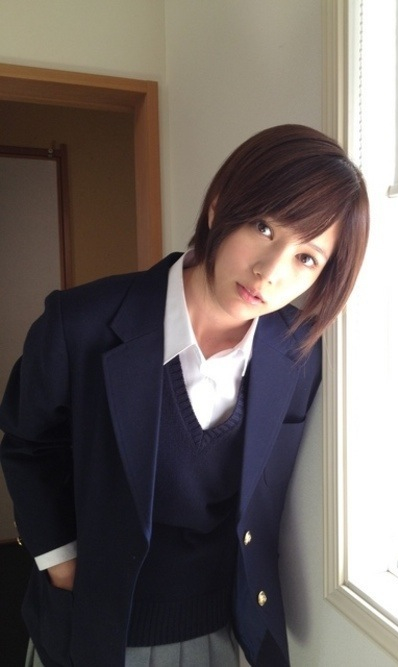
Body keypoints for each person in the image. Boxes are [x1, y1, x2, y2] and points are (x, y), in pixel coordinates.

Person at [0, 124, 369, 667]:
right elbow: (28, 443)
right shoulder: (79, 324)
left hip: (213, 631)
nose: (269, 272)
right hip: (88, 620)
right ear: (219, 206)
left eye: (306, 258)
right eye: (264, 227)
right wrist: (61, 561)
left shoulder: (294, 356)